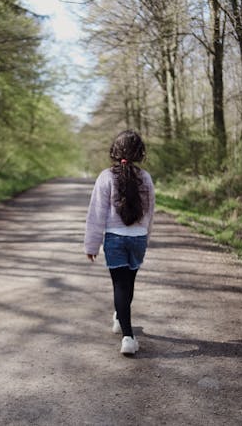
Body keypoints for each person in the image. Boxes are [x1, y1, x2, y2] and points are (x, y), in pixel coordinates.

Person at [84, 129, 155, 355]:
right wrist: (145, 237)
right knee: (129, 283)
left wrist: (92, 245)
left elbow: (97, 213)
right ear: (139, 153)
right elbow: (150, 213)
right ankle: (120, 318)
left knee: (119, 285)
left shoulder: (106, 177)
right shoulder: (145, 178)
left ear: (115, 151)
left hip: (114, 238)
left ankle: (127, 336)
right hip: (137, 239)